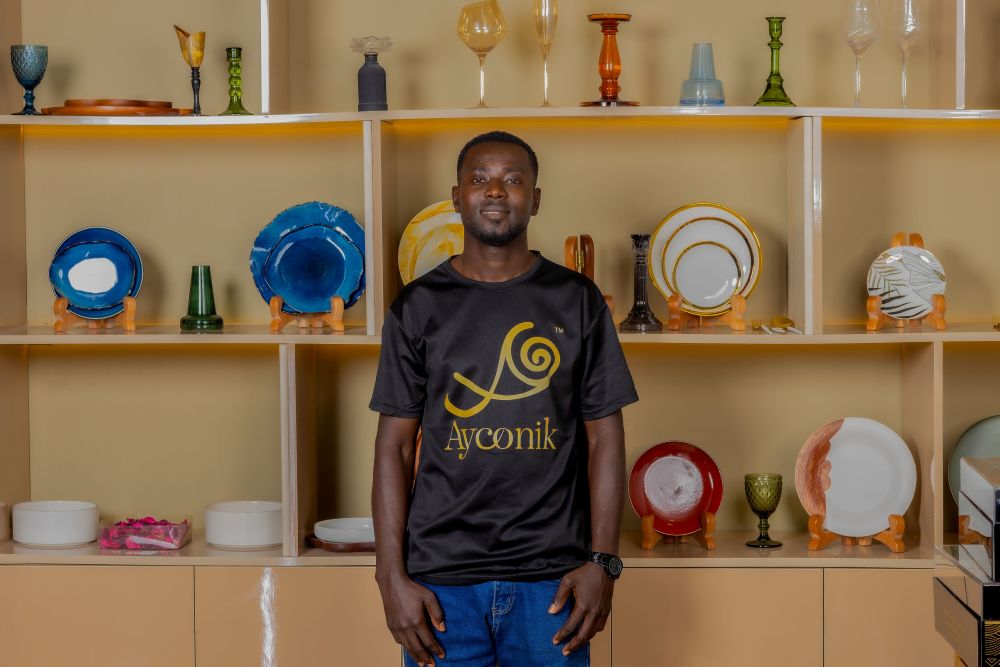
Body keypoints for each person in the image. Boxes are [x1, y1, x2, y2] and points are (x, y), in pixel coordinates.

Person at [369, 130, 638, 667]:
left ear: (534, 199)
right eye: (480, 179)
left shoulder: (577, 301)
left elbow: (604, 438)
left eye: (513, 180)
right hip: (440, 587)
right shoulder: (418, 306)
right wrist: (389, 577)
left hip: (553, 585)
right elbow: (394, 448)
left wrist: (603, 564)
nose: (495, 190)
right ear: (456, 197)